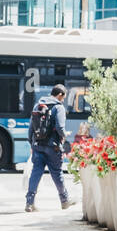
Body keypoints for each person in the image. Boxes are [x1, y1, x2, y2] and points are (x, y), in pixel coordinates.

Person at [24, 84, 74, 212]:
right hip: (53, 147)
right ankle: (64, 201)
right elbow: (60, 127)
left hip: (38, 145)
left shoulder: (38, 105)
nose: (63, 100)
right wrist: (65, 135)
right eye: (63, 97)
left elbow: (31, 128)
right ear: (60, 95)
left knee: (36, 173)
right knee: (57, 173)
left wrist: (32, 144)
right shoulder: (59, 107)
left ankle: (29, 203)